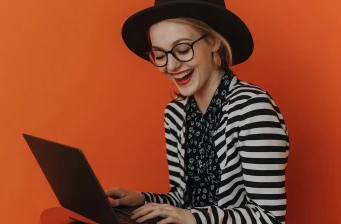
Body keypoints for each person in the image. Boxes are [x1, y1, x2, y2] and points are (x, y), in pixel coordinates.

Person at [105, 0, 289, 223]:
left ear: (213, 41)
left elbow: (269, 217)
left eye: (182, 49)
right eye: (160, 55)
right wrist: (143, 199)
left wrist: (194, 218)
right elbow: (183, 201)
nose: (171, 66)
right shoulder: (175, 114)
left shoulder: (252, 108)